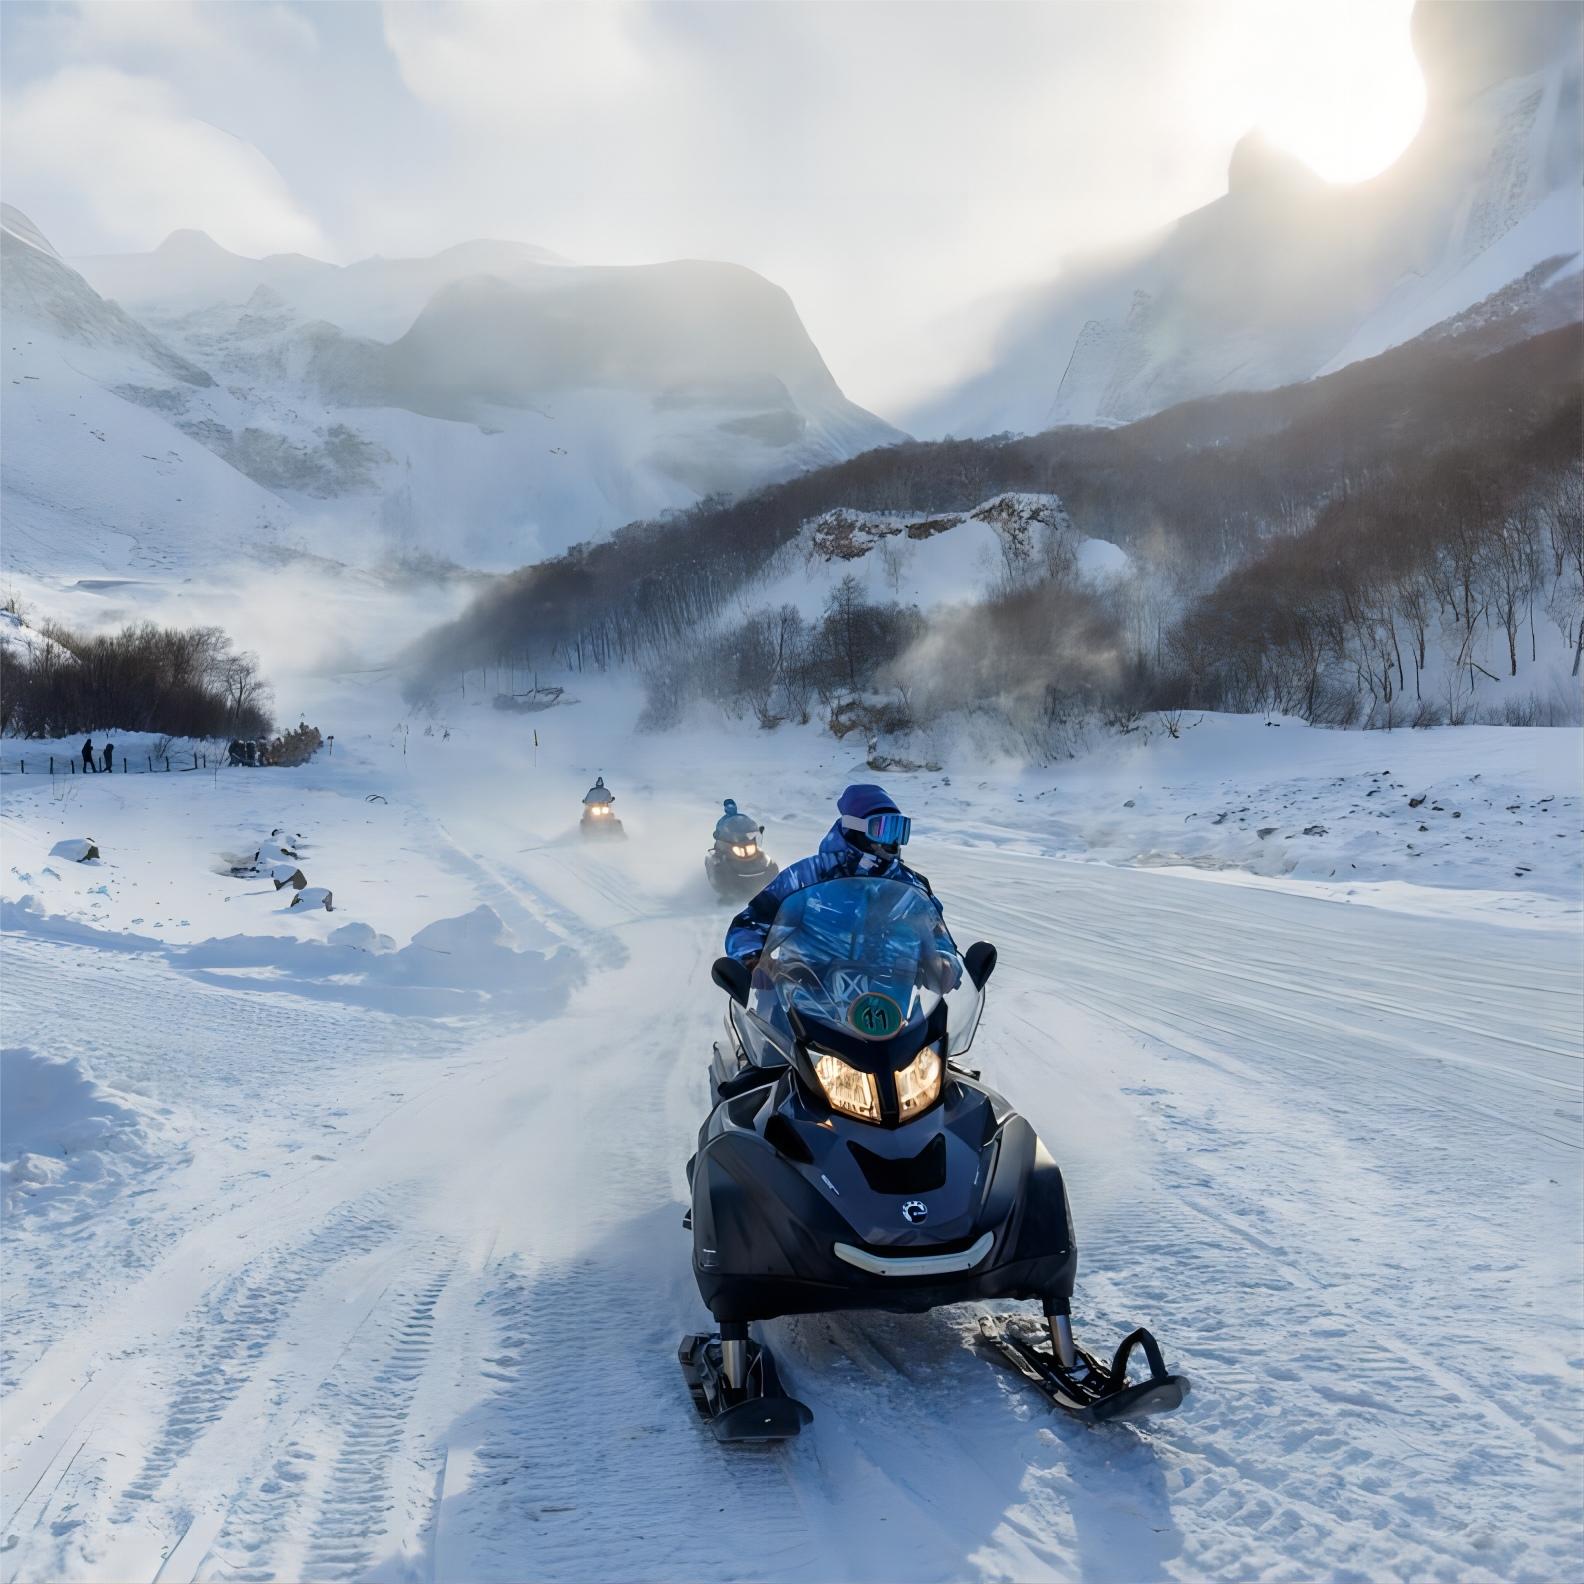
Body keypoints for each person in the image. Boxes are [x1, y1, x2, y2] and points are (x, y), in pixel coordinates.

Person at [725, 783, 937, 965]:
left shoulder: (912, 887)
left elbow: (937, 933)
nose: (893, 840)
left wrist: (943, 962)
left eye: (900, 830)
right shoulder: (807, 876)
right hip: (800, 997)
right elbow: (749, 922)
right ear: (855, 828)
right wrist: (753, 960)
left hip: (886, 1005)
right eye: (883, 829)